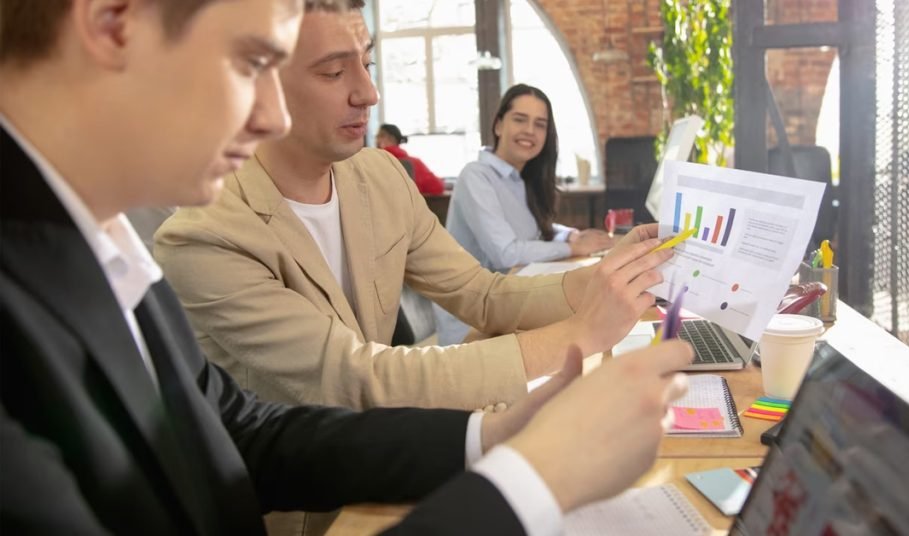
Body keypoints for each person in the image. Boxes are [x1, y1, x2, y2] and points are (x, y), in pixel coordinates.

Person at [0, 0, 696, 534]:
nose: (270, 116)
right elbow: (348, 379)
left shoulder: (104, 241)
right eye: (249, 65)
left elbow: (239, 429)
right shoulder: (181, 237)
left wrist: (491, 436)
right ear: (113, 21)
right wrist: (535, 478)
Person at [153, 4, 671, 414]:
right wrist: (580, 335)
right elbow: (359, 377)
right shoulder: (206, 234)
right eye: (335, 72)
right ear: (261, 79)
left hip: (399, 443)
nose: (369, 92)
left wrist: (606, 275)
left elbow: (483, 294)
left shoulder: (378, 176)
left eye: (368, 64)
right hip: (317, 506)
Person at [436, 84, 614, 344]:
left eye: (540, 124)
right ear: (498, 125)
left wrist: (571, 234)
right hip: (473, 328)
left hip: (507, 310)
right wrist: (572, 249)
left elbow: (532, 231)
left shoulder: (518, 179)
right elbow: (506, 253)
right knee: (587, 331)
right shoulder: (475, 176)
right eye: (520, 119)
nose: (530, 130)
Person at [375, 123, 445, 195]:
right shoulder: (415, 162)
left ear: (391, 138)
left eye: (380, 136)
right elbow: (437, 187)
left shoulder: (373, 162)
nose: (376, 140)